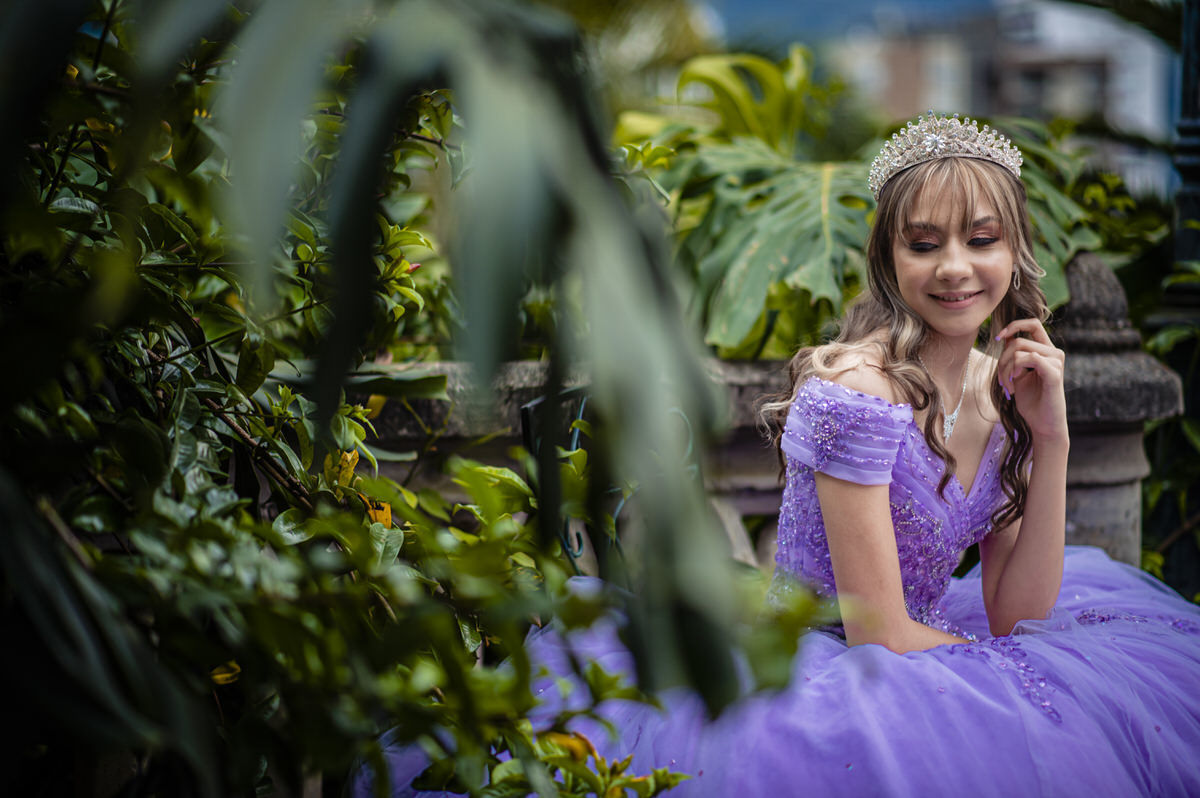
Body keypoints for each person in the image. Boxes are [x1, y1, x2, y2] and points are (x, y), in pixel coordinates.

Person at [353, 113, 1200, 797]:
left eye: (981, 239)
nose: (955, 269)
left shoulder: (1004, 387)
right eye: (923, 242)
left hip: (929, 634)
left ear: (1015, 254)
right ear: (888, 257)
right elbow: (877, 631)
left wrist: (1048, 439)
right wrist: (994, 667)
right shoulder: (857, 396)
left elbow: (1020, 614)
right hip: (830, 650)